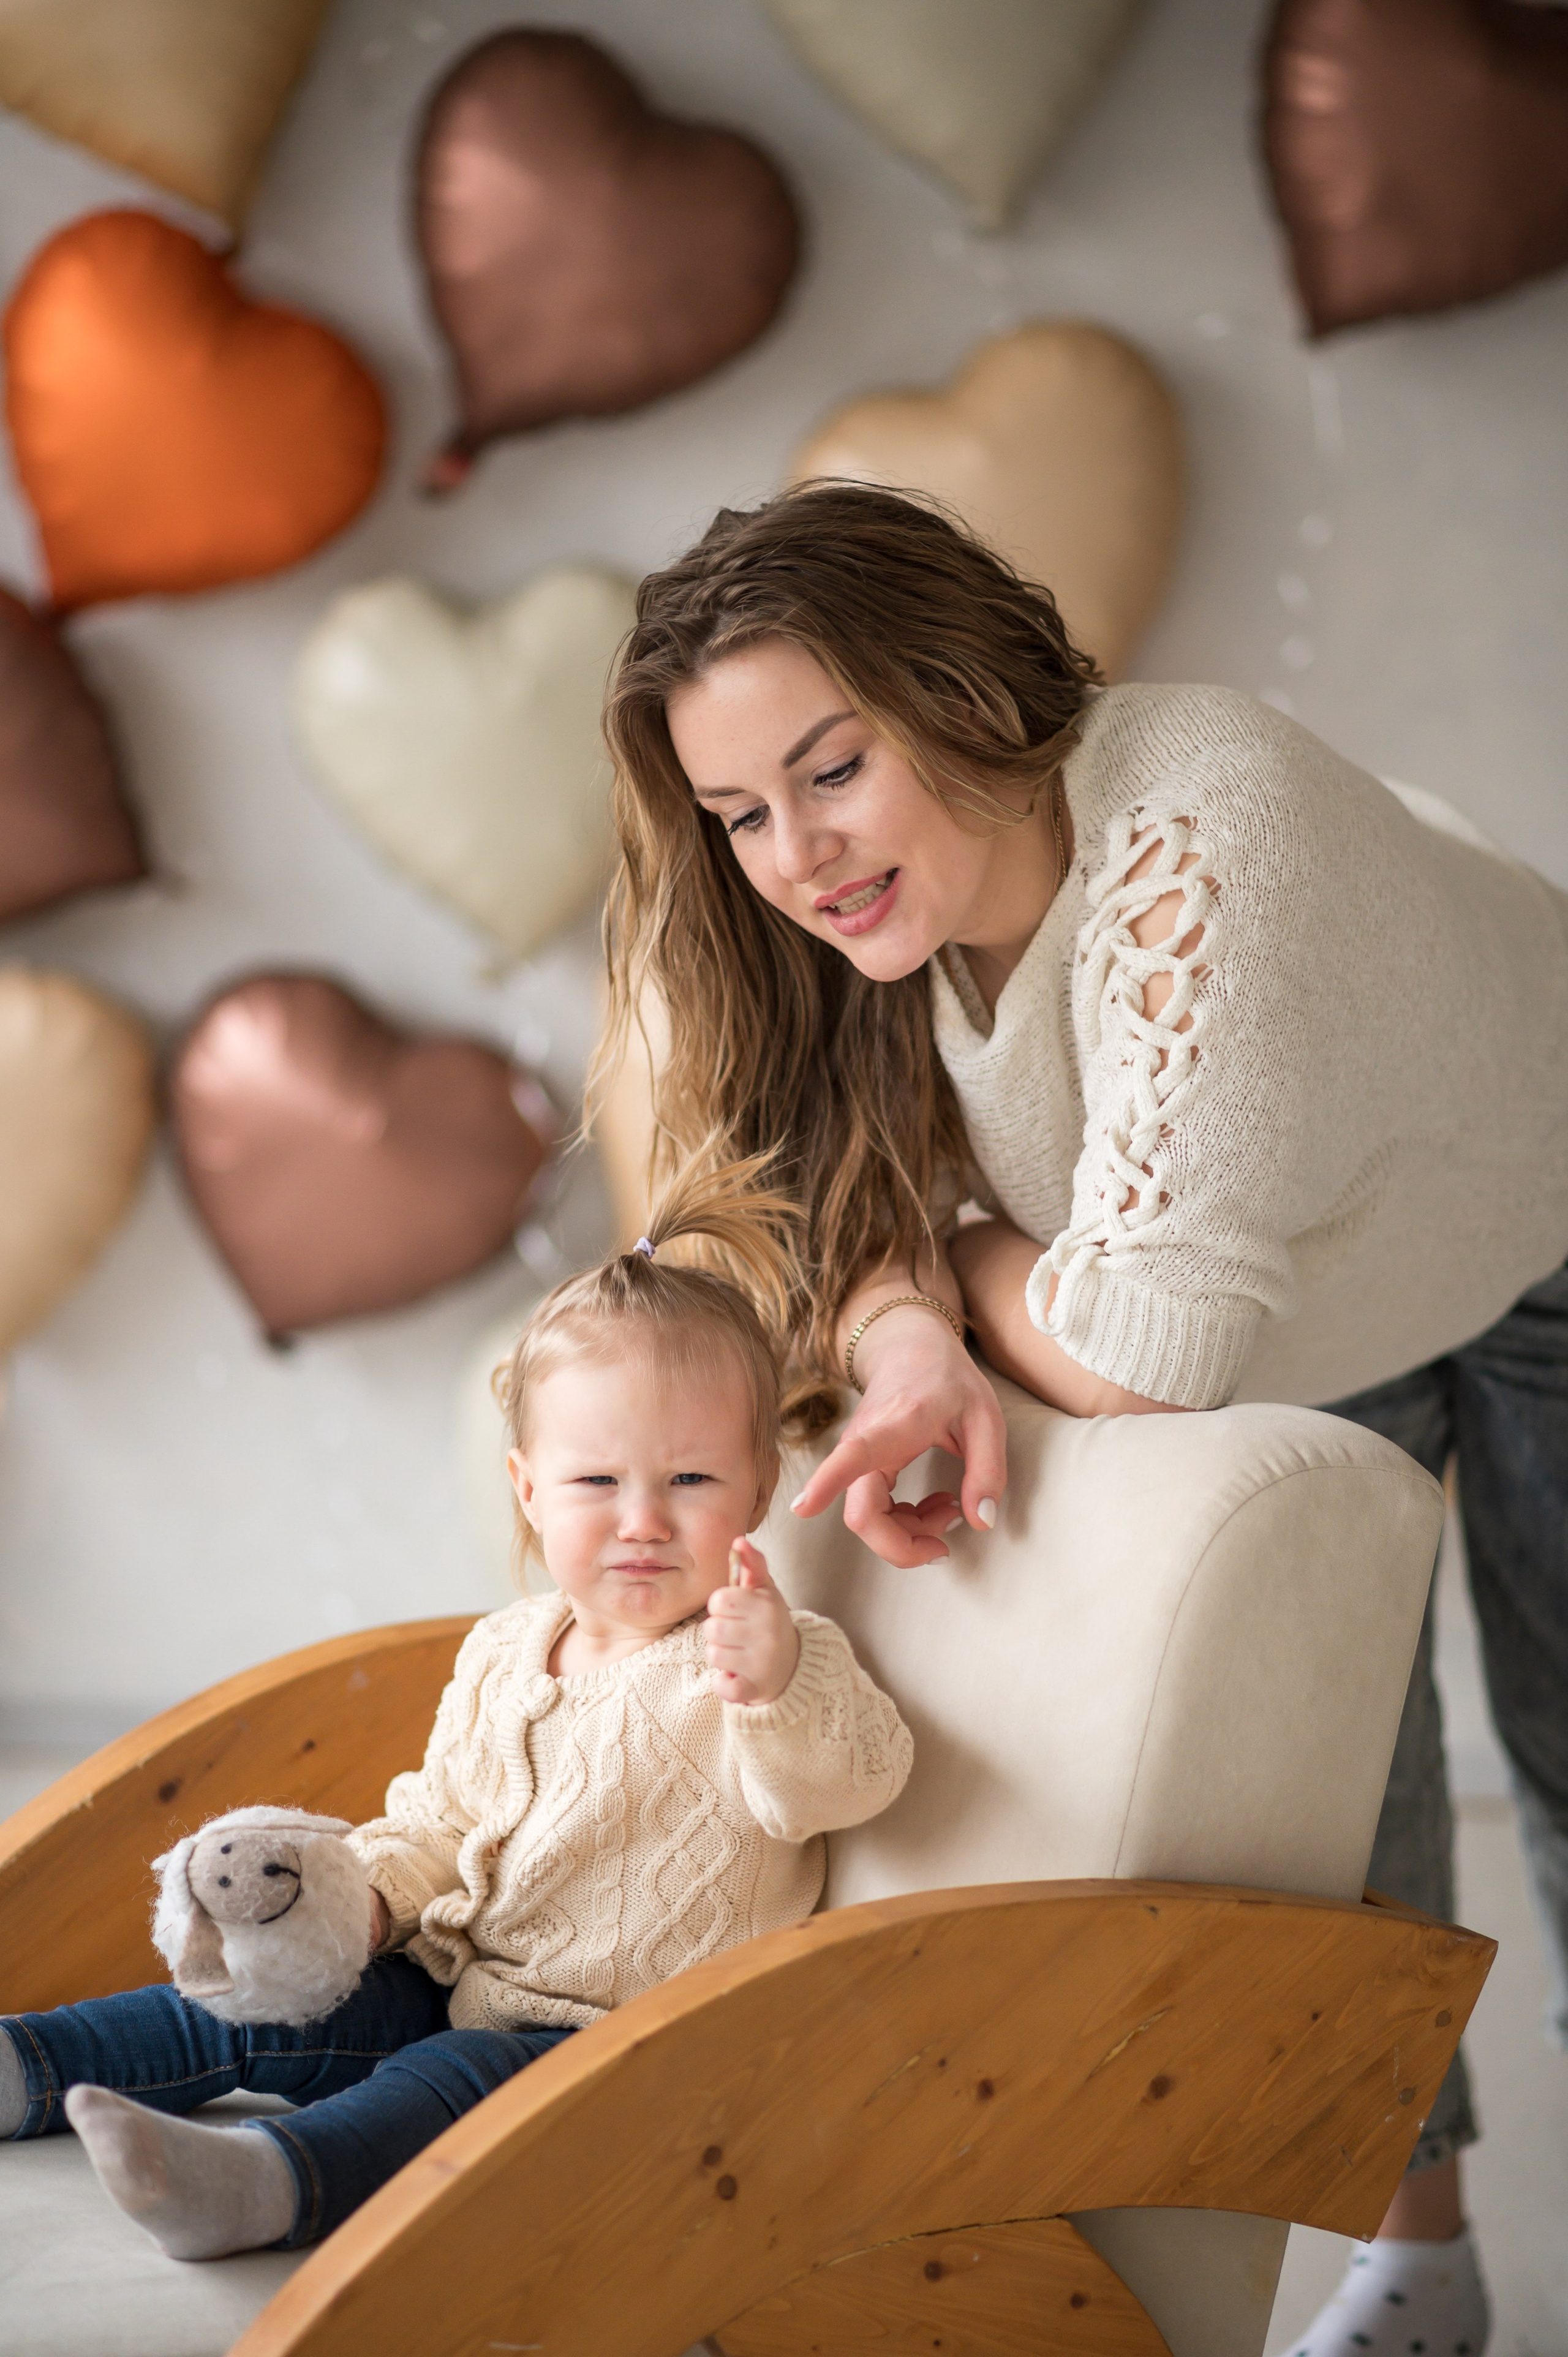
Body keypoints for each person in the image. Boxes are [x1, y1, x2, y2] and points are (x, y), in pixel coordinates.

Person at [596, 480, 1568, 2357]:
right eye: (737, 814)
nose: (792, 854)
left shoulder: (1202, 826)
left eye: (830, 769)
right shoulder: (855, 934)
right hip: (1308, 1270)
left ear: (955, 685)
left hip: (1532, 1198)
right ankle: (1423, 2264)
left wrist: (952, 1288)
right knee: (1329, 1796)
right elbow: (827, 1199)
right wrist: (901, 1327)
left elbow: (1141, 1350)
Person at [0, 1158, 912, 2257]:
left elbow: (853, 1776)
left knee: (447, 2080)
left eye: (690, 1483)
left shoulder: (766, 1653)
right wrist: (367, 1907)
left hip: (621, 2049)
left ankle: (264, 2184)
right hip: (456, 1977)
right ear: (529, 1487)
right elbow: (438, 1817)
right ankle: (30, 2065)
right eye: (595, 1484)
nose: (641, 1522)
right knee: (273, 2004)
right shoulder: (503, 1649)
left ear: (758, 1488)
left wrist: (775, 1688)